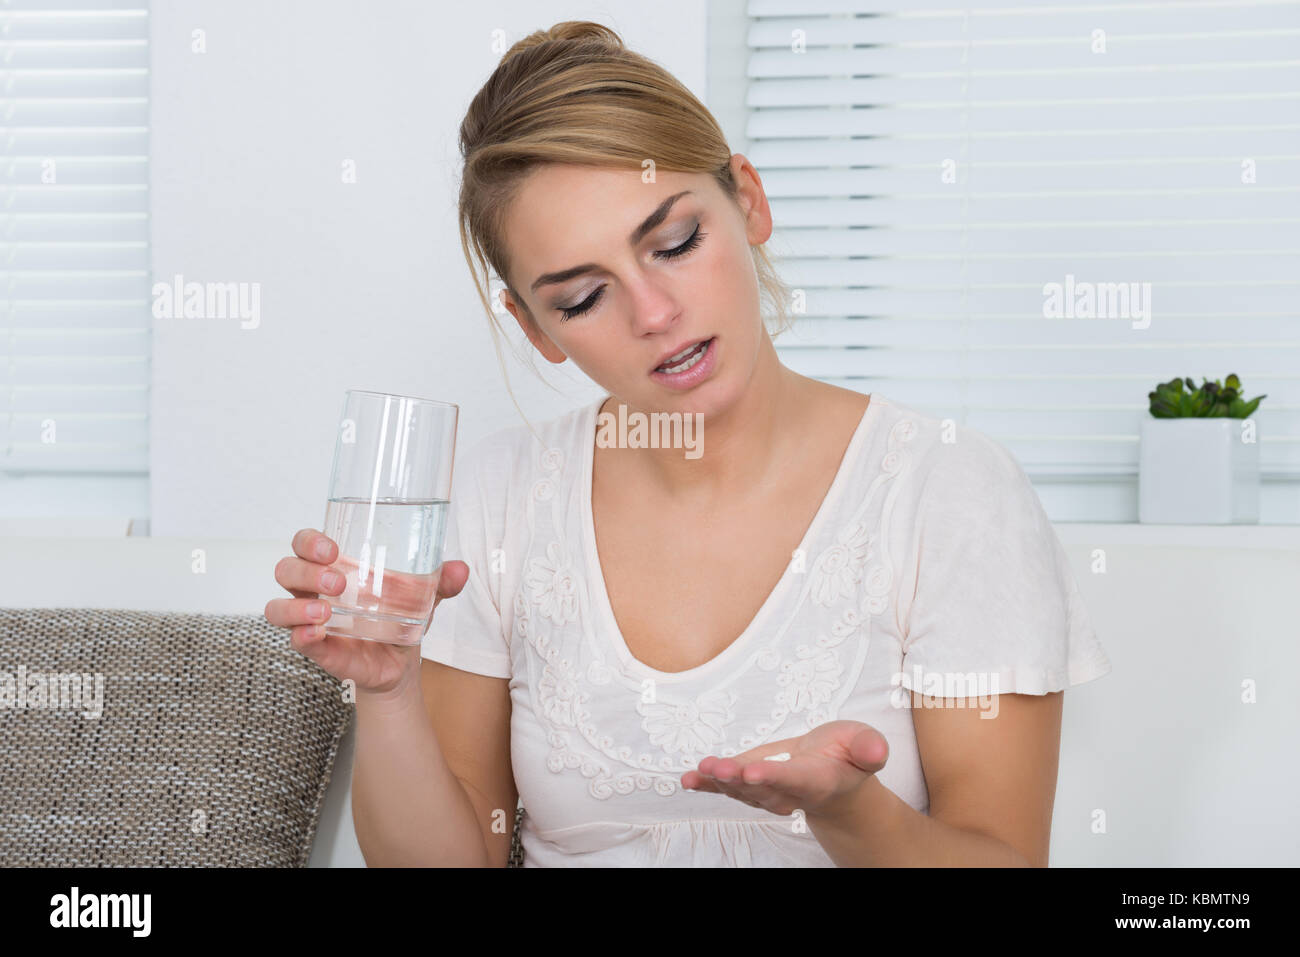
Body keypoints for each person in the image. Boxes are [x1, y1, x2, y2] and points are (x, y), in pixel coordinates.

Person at [266, 20, 1111, 867]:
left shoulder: (951, 490)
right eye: (583, 297)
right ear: (535, 329)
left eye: (674, 244)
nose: (654, 313)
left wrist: (854, 814)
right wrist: (387, 691)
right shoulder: (500, 495)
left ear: (748, 199)